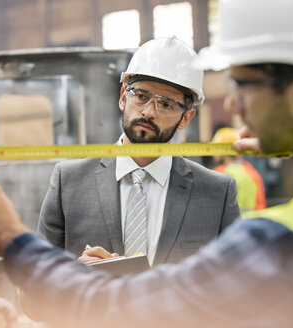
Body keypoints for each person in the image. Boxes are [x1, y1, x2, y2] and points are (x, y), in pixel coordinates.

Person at [0, 0, 293, 327]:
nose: (233, 109)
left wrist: (11, 237)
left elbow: (116, 307)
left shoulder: (281, 244)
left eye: (242, 86)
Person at [37, 36, 240, 266]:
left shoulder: (217, 194)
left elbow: (238, 291)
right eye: (141, 96)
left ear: (186, 118)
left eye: (166, 104)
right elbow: (33, 285)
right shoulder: (69, 182)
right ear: (124, 97)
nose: (149, 112)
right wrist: (73, 277)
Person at [211, 127, 266, 211]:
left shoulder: (218, 174)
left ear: (224, 149)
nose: (212, 152)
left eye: (215, 148)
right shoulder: (253, 173)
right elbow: (261, 208)